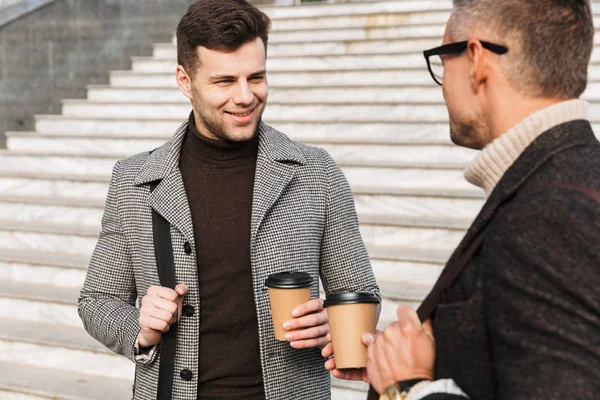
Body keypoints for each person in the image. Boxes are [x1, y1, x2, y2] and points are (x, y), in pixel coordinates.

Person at [78, 1, 380, 399]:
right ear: (185, 81)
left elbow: (361, 293)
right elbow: (97, 301)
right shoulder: (135, 181)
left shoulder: (316, 172)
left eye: (256, 77)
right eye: (224, 81)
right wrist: (140, 327)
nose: (245, 96)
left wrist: (333, 324)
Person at [324, 0, 600, 399]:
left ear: (475, 60)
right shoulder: (569, 176)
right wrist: (420, 363)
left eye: (443, 60)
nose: (443, 85)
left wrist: (409, 388)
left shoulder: (548, 215)